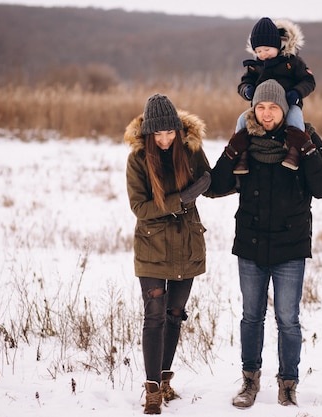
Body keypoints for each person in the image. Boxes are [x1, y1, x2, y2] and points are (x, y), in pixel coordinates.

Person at [208, 79, 322, 408]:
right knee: (251, 317)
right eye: (260, 107)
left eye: (273, 107)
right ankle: (250, 381)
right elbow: (216, 184)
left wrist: (306, 148)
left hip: (290, 246)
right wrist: (232, 149)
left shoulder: (304, 138)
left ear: (284, 110)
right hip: (250, 244)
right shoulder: (246, 142)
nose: (266, 114)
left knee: (288, 318)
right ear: (253, 110)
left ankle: (288, 384)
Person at [123, 93, 211, 415]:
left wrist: (238, 164)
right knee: (155, 315)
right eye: (157, 134)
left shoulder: (190, 151)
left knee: (174, 315)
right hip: (152, 248)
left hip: (186, 246)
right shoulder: (137, 159)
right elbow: (139, 208)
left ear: (177, 130)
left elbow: (210, 184)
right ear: (147, 133)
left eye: (169, 132)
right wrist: (183, 198)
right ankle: (151, 390)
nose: (163, 140)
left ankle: (164, 379)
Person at [231, 17, 316, 174]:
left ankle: (294, 152)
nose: (263, 55)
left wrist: (297, 93)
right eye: (258, 51)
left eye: (267, 50)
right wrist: (247, 90)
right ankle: (241, 155)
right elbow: (243, 83)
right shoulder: (255, 66)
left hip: (290, 104)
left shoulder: (292, 62)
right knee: (242, 120)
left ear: (278, 45)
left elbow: (308, 80)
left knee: (295, 119)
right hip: (261, 108)